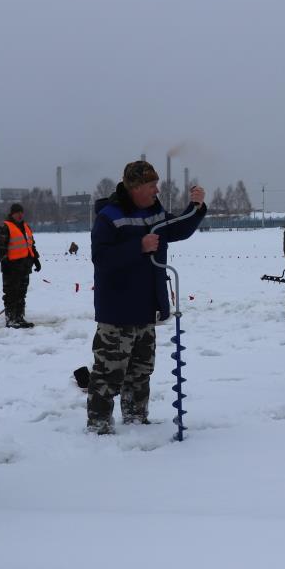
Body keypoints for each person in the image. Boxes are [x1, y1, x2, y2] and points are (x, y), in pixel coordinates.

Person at [86, 161, 207, 434]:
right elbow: (101, 259)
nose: (157, 189)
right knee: (108, 374)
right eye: (152, 185)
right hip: (117, 311)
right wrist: (138, 246)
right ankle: (99, 425)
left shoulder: (155, 211)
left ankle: (136, 419)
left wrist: (196, 208)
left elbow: (177, 229)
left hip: (147, 308)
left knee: (140, 372)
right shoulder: (109, 216)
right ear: (136, 186)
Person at [0, 203, 41, 328]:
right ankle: (11, 320)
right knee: (11, 294)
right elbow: (0, 247)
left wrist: (36, 260)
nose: (20, 215)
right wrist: (4, 262)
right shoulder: (6, 226)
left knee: (21, 294)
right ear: (12, 214)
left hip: (25, 267)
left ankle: (19, 318)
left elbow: (31, 245)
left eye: (21, 212)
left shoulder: (26, 227)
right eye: (17, 213)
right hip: (11, 267)